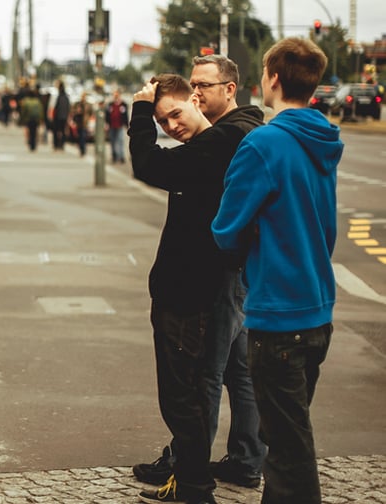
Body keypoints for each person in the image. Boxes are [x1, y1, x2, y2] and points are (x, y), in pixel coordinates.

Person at [212, 37, 343, 504]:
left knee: (288, 452)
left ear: (271, 78)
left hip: (276, 316)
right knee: (287, 437)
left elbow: (226, 231)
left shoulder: (263, 143)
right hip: (317, 311)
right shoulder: (324, 138)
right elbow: (325, 228)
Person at [134, 54, 268, 492]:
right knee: (237, 371)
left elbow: (149, 166)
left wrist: (140, 111)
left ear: (229, 89)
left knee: (202, 378)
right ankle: (244, 459)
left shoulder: (227, 138)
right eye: (194, 84)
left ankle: (188, 473)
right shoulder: (233, 133)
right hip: (232, 273)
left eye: (204, 86)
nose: (197, 92)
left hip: (214, 279)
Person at [106, 89, 129, 164]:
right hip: (112, 125)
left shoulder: (123, 105)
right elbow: (107, 115)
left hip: (120, 125)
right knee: (113, 141)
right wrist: (107, 124)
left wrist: (126, 125)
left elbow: (126, 115)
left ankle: (121, 156)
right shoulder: (110, 104)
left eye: (117, 95)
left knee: (120, 141)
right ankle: (114, 156)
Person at [71, 92, 92, 157]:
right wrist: (77, 111)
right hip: (78, 122)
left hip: (85, 123)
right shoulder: (78, 104)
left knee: (83, 136)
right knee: (79, 137)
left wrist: (88, 118)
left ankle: (83, 150)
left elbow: (90, 112)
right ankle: (81, 149)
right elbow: (73, 111)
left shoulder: (88, 105)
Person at [51, 81, 70, 151]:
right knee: (62, 131)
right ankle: (62, 144)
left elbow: (56, 107)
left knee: (56, 131)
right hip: (64, 116)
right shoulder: (66, 97)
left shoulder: (58, 97)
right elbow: (68, 108)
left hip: (58, 117)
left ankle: (56, 144)